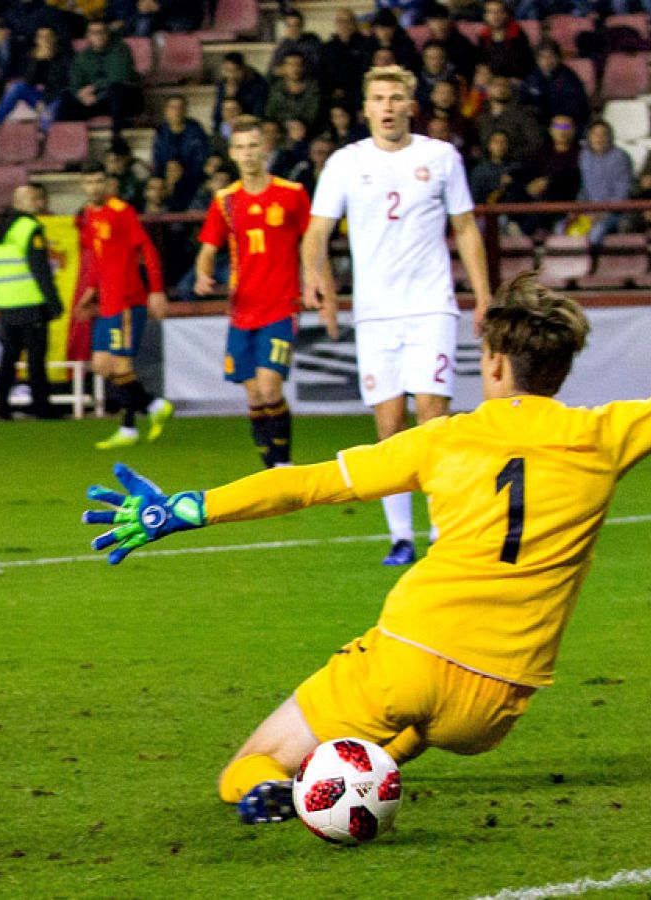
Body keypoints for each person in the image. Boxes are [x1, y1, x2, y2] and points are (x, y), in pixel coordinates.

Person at [82, 192, 651, 825]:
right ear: (560, 366)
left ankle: (280, 793)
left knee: (247, 766)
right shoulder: (607, 434)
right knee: (393, 739)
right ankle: (356, 779)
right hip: (498, 703)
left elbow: (306, 482)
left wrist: (188, 508)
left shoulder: (442, 440)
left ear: (492, 362)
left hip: (408, 658)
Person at [301, 65, 492, 567]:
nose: (387, 106)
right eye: (379, 98)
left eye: (396, 97)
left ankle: (445, 531)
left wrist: (484, 296)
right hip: (375, 314)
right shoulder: (345, 163)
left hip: (431, 306)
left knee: (433, 417)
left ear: (411, 105)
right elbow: (317, 231)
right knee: (389, 428)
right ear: (366, 109)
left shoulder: (440, 157)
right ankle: (401, 537)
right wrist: (314, 275)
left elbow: (467, 229)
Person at [194, 117, 309, 469]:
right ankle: (268, 466)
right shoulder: (225, 201)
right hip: (242, 310)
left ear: (264, 148)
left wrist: (320, 288)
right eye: (240, 148)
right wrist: (202, 274)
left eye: (253, 146)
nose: (247, 154)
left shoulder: (292, 194)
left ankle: (283, 464)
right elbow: (209, 248)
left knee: (270, 387)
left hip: (281, 305)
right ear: (232, 153)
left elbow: (313, 243)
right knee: (255, 394)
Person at [75, 161, 174, 449]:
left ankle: (129, 427)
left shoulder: (121, 211)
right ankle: (153, 405)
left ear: (107, 183)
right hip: (107, 301)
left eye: (98, 181)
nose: (94, 187)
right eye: (89, 182)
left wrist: (156, 290)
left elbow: (147, 248)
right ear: (83, 186)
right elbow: (97, 256)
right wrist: (91, 289)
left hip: (128, 300)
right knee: (102, 365)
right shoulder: (89, 215)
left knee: (120, 364)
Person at [0, 184, 62, 420]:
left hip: (8, 304)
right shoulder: (30, 228)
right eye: (32, 199)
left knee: (9, 356)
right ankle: (42, 407)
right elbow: (40, 269)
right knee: (35, 358)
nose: (38, 203)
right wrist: (54, 302)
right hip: (31, 302)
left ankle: (2, 406)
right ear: (19, 202)